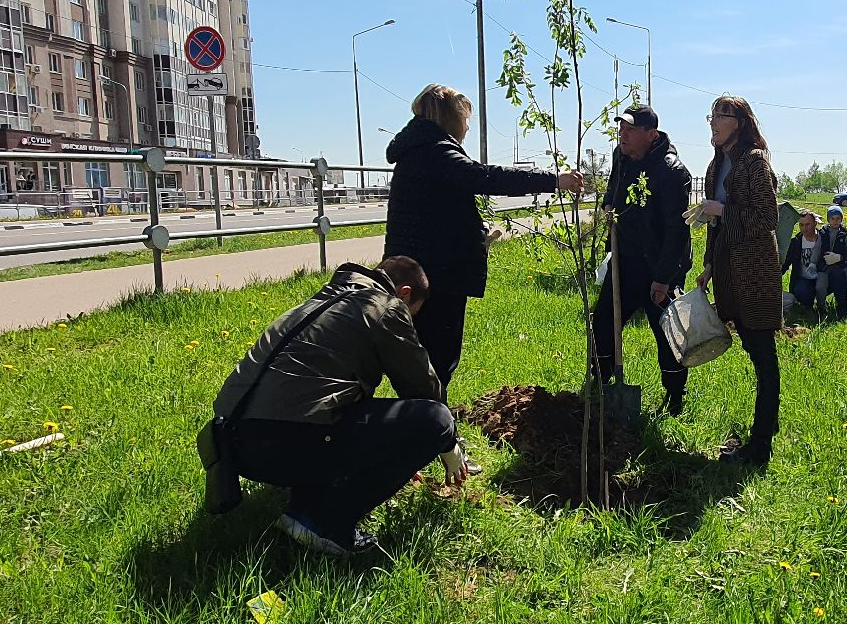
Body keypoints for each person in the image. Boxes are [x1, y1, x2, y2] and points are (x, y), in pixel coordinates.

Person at [204, 257, 456, 557]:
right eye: (414, 312)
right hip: (281, 444)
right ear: (404, 293)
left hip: (232, 444)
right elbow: (424, 390)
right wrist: (449, 443)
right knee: (436, 421)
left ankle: (307, 498)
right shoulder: (385, 307)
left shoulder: (326, 299)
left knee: (331, 420)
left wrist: (392, 452)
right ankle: (322, 521)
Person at [384, 84, 582, 387]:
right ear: (450, 118)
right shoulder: (435, 151)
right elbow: (487, 178)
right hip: (436, 274)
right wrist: (554, 180)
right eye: (464, 119)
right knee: (437, 357)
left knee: (421, 355)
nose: (466, 127)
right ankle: (431, 414)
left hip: (416, 268)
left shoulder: (417, 149)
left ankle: (425, 409)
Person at [589, 103, 694, 414]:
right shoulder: (621, 157)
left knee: (667, 332)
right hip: (625, 262)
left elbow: (676, 231)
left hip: (660, 265)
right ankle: (601, 382)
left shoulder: (672, 172)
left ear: (651, 135)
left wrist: (662, 279)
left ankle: (675, 396)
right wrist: (608, 206)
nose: (623, 135)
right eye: (622, 128)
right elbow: (612, 190)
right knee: (604, 322)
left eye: (631, 130)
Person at [697, 94, 782, 466]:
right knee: (751, 347)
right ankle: (763, 429)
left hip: (755, 273)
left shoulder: (754, 162)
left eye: (722, 115)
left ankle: (760, 446)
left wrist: (722, 209)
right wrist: (708, 265)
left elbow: (767, 217)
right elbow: (715, 225)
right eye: (712, 116)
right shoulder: (716, 165)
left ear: (741, 123)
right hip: (728, 270)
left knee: (763, 355)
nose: (714, 122)